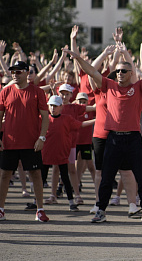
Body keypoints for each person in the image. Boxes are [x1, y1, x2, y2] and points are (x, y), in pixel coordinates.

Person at [66, 44, 142, 224]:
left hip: (134, 139)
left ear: (131, 73)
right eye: (118, 71)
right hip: (113, 139)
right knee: (106, 177)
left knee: (141, 177)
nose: (119, 73)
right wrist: (78, 58)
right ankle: (101, 210)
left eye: (123, 71)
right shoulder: (108, 85)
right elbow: (91, 71)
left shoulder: (139, 88)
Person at [0, 60, 50, 222]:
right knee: (5, 174)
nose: (15, 74)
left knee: (35, 174)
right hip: (9, 141)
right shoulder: (5, 92)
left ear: (27, 73)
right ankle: (1, 209)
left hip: (31, 141)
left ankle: (40, 210)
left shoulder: (37, 92)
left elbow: (45, 117)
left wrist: (42, 137)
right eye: (12, 71)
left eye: (18, 71)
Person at [41, 95, 95, 212]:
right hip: (46, 154)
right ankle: (37, 203)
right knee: (42, 178)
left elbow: (81, 124)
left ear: (61, 107)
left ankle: (71, 202)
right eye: (51, 106)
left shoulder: (67, 118)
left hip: (62, 154)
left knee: (65, 178)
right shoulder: (43, 118)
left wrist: (96, 120)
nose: (53, 108)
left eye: (55, 106)